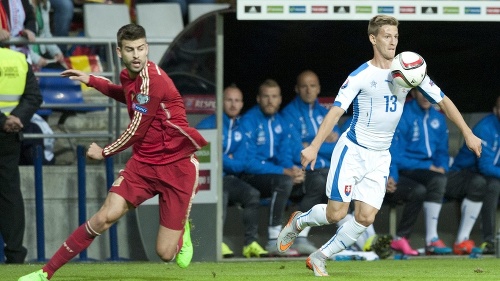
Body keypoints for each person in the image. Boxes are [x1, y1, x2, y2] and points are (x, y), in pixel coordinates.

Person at [276, 15, 482, 277]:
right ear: (373, 39)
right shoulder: (361, 75)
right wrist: (315, 146)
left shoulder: (409, 69)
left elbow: (443, 101)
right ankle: (300, 220)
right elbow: (336, 112)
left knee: (365, 218)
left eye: (395, 36)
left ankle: (320, 256)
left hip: (380, 156)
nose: (393, 42)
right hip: (353, 150)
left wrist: (467, 132)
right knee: (336, 214)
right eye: (387, 36)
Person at [18, 23, 208, 281]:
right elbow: (126, 96)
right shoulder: (128, 76)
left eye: (141, 48)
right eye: (130, 50)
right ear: (120, 52)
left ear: (147, 48)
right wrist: (92, 80)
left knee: (165, 254)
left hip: (177, 165)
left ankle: (182, 228)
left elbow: (136, 130)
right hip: (144, 164)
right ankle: (44, 274)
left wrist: (105, 151)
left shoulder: (153, 81)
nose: (137, 55)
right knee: (103, 217)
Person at [196, 84, 268, 258]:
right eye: (229, 100)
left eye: (237, 101)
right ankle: (216, 241)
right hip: (210, 179)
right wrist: (228, 159)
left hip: (228, 177)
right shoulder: (208, 125)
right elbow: (209, 157)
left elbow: (242, 162)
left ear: (242, 104)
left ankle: (250, 243)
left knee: (252, 194)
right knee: (222, 193)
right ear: (221, 101)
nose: (233, 104)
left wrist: (225, 158)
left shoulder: (242, 127)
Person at [385, 88, 453, 256]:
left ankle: (404, 238)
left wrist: (442, 166)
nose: (425, 96)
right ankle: (431, 239)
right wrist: (430, 168)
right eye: (421, 92)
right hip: (406, 168)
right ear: (413, 93)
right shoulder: (404, 114)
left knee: (427, 187)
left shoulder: (438, 117)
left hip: (429, 172)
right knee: (437, 180)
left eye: (428, 92)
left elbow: (443, 151)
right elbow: (396, 154)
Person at [240, 78, 303, 257]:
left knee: (311, 181)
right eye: (266, 97)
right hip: (249, 176)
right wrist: (285, 172)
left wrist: (294, 170)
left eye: (274, 96)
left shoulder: (280, 122)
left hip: (274, 175)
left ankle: (301, 237)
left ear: (280, 99)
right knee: (283, 181)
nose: (270, 101)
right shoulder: (249, 121)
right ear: (258, 99)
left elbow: (284, 156)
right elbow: (248, 163)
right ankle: (274, 240)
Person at [279, 70, 339, 255]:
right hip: (305, 170)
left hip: (325, 168)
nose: (308, 90)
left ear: (318, 88)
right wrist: (322, 141)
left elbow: (338, 146)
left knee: (343, 181)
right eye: (304, 86)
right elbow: (298, 151)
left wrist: (312, 144)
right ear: (297, 89)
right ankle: (300, 237)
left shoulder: (325, 113)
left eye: (312, 86)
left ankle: (354, 236)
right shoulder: (289, 113)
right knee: (321, 182)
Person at [0, 47, 43, 264]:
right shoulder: (18, 59)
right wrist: (16, 117)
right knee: (10, 195)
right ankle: (15, 254)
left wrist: (3, 120)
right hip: (9, 135)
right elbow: (34, 96)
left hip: (5, 129)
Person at [449, 95, 500, 255]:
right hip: (463, 173)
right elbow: (485, 167)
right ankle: (489, 240)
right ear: (496, 110)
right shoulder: (487, 127)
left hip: (485, 176)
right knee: (492, 185)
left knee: (492, 183)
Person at [29, 0, 66, 70]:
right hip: (28, 57)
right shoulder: (22, 5)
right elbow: (19, 45)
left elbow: (46, 35)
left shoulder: (45, 4)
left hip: (42, 55)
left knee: (66, 74)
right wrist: (36, 59)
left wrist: (56, 52)